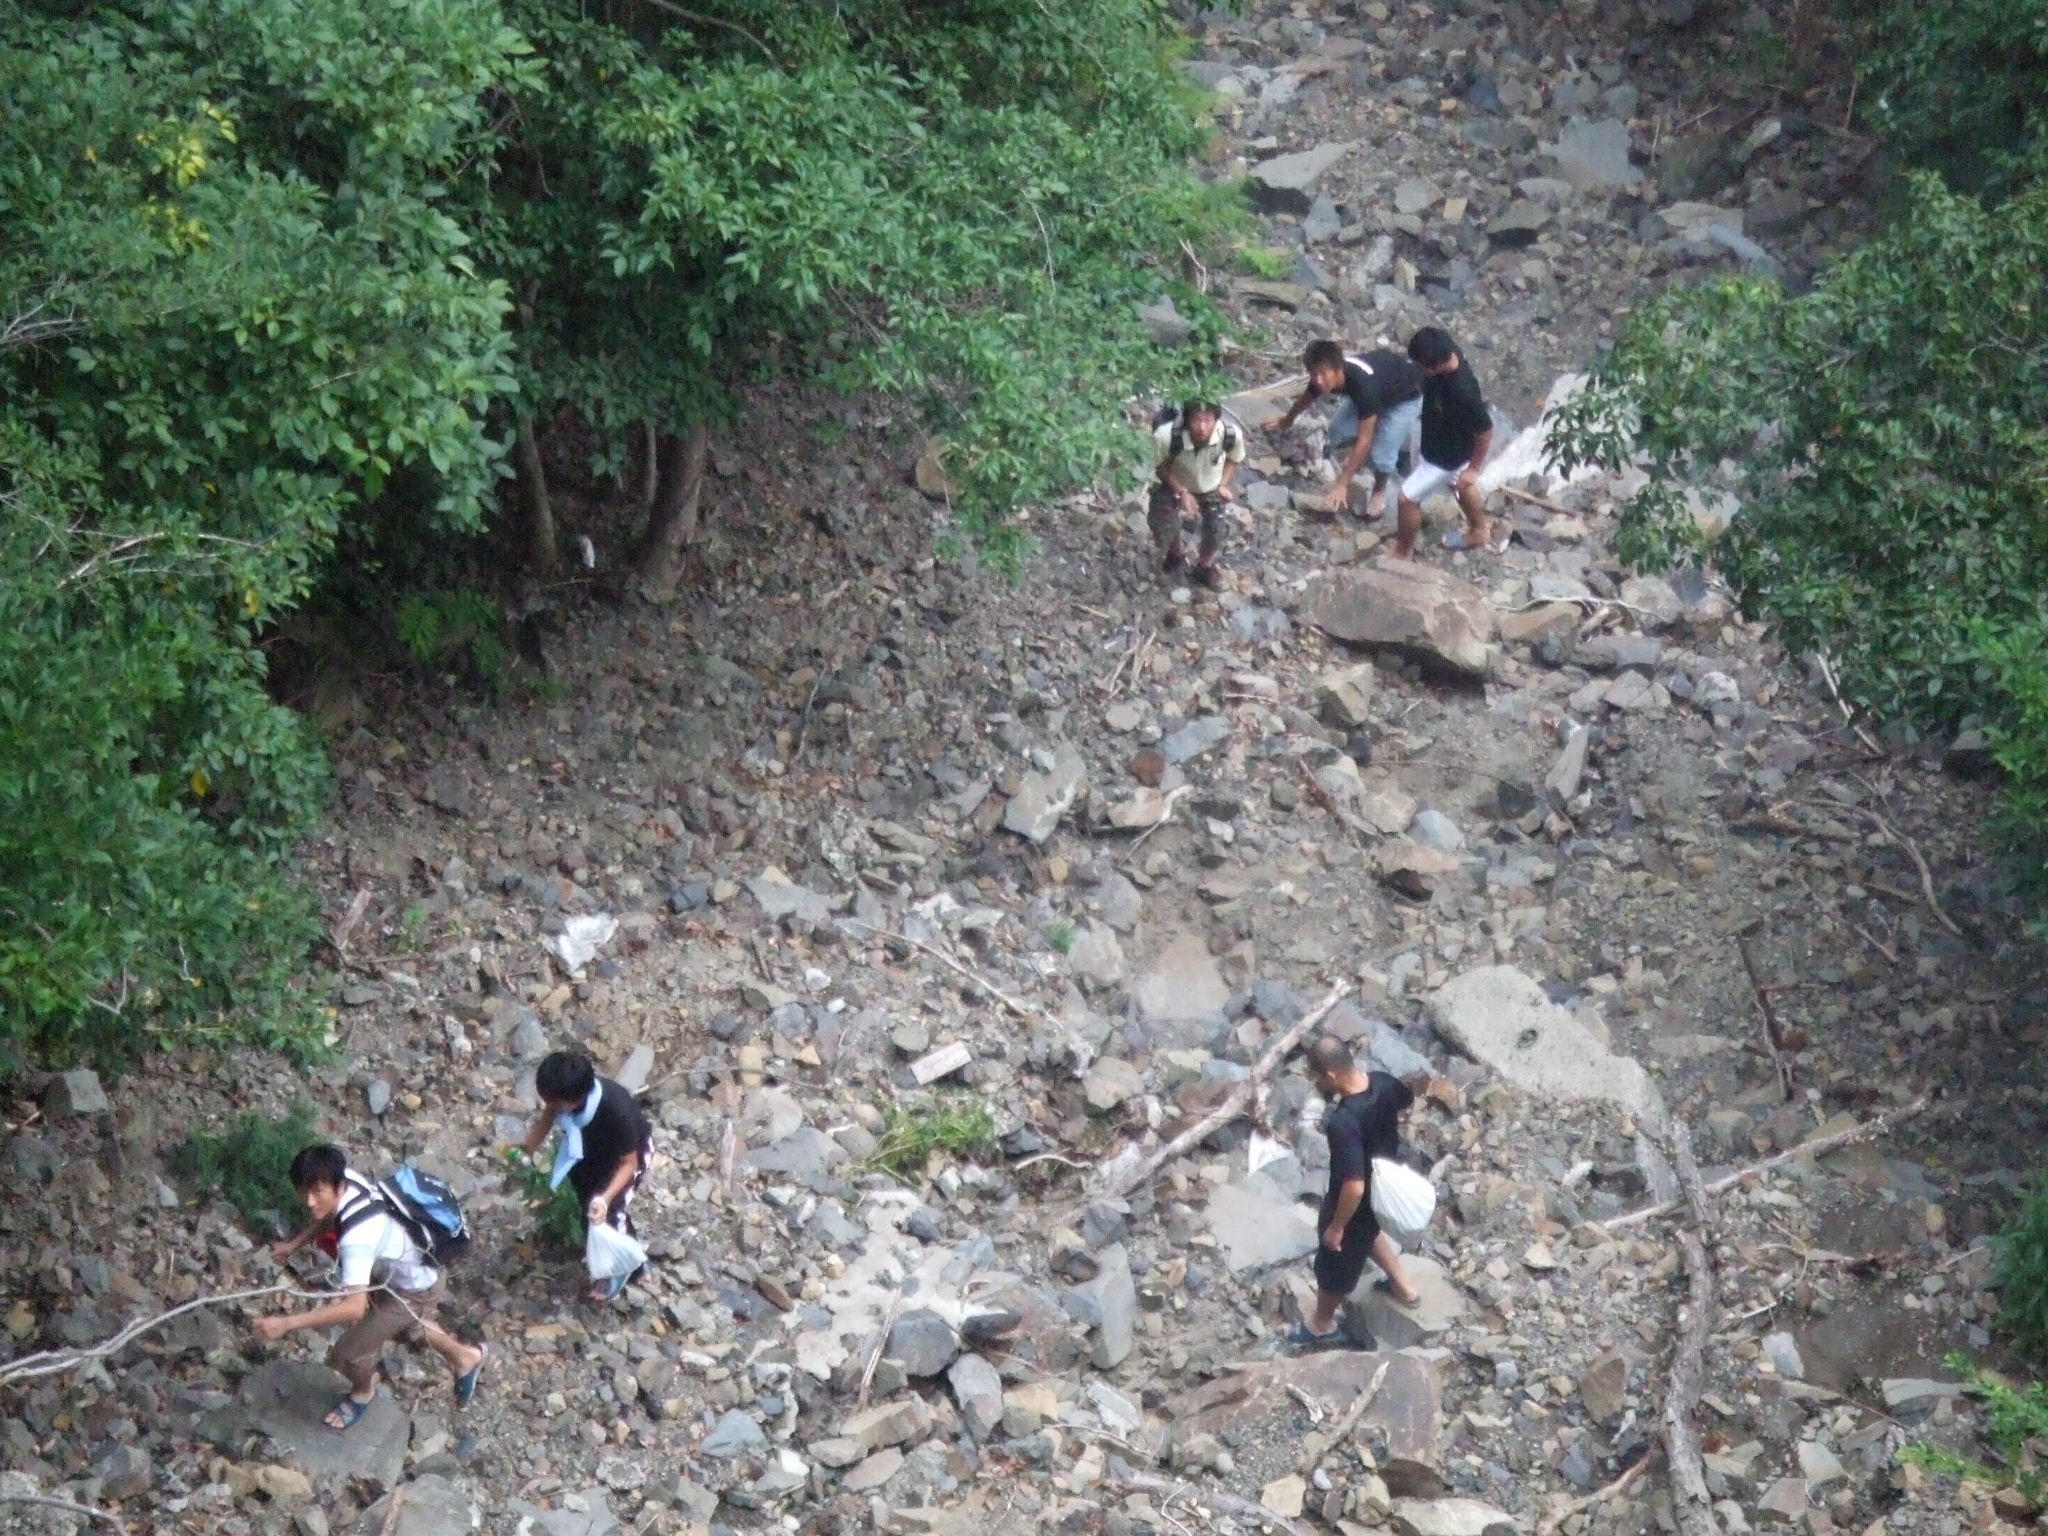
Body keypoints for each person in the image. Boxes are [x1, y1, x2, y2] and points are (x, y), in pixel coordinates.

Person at [255, 1145, 486, 1429]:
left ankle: (364, 1391)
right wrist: (293, 1245)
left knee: (345, 1355)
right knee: (408, 1326)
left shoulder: (357, 1239)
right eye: (304, 1192)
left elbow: (354, 1308)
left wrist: (287, 1323)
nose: (310, 1201)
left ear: (337, 1186)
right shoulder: (348, 1180)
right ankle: (466, 1357)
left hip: (414, 1290)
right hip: (409, 1274)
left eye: (317, 1192)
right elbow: (332, 1216)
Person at [1285, 1037, 1422, 1350]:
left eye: (1318, 1078)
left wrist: (1336, 1227)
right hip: (1385, 1187)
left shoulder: (1343, 1122)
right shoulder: (1383, 1083)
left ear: (1331, 1075)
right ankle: (1404, 1287)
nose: (1318, 1084)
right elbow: (1406, 1099)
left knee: (1335, 1260)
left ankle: (1321, 1325)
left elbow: (1354, 1186)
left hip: (1355, 1199)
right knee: (1368, 1231)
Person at [519, 1049, 654, 1301]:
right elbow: (549, 1114)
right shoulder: (563, 1100)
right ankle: (626, 1254)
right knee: (588, 1208)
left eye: (556, 1103)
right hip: (584, 1150)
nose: (552, 1107)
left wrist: (605, 1198)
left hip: (626, 1155)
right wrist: (527, 1147)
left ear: (575, 1098)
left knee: (611, 1211)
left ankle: (622, 1268)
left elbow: (629, 1164)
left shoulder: (616, 1109)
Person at [1265, 339, 1424, 522]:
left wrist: (1342, 484)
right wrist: (1287, 420)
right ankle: (1354, 459)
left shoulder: (1363, 387)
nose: (1318, 380)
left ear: (1338, 368)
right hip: (1381, 386)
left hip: (1406, 396)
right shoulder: (1324, 380)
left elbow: (1365, 439)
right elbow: (1307, 398)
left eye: (1323, 374)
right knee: (1336, 430)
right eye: (1313, 374)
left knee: (1383, 451)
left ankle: (1379, 490)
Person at [1394, 326, 1497, 558]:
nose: (1418, 369)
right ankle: (1480, 531)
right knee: (1460, 483)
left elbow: (1485, 430)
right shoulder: (1447, 350)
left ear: (1437, 365)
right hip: (1447, 439)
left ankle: (1401, 553)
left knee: (1406, 499)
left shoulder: (1462, 391)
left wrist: (1474, 469)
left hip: (1444, 457)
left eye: (1421, 367)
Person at [1146, 398, 1246, 588]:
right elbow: (1160, 465)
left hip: (1211, 486)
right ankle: (1175, 552)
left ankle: (1204, 565)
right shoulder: (1166, 436)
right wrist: (1182, 492)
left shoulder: (1231, 435)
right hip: (1174, 482)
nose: (1202, 427)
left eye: (1208, 420)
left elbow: (1234, 459)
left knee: (1216, 529)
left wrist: (1223, 484)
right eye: (1196, 420)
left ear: (1217, 420)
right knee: (1161, 523)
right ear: (1186, 420)